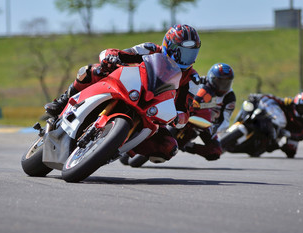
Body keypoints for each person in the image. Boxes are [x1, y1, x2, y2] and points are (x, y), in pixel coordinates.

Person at [44, 24, 202, 161]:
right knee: (92, 71)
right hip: (132, 88)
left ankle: (119, 148)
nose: (184, 59)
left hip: (155, 110)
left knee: (169, 147)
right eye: (180, 52)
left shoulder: (192, 79)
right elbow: (121, 54)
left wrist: (179, 117)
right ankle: (62, 102)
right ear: (168, 45)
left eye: (190, 54)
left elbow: (185, 108)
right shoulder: (150, 49)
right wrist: (112, 57)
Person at [182, 63, 236, 160]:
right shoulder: (199, 81)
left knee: (215, 151)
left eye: (226, 83)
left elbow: (225, 120)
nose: (222, 86)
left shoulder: (229, 97)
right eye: (219, 81)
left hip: (206, 125)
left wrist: (214, 129)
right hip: (188, 113)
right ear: (211, 78)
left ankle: (188, 146)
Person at [248, 92, 303, 158]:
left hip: (293, 132)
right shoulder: (289, 102)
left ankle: (278, 146)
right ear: (295, 104)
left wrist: (289, 134)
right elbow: (276, 99)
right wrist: (260, 96)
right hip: (280, 122)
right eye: (300, 107)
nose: (302, 110)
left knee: (291, 151)